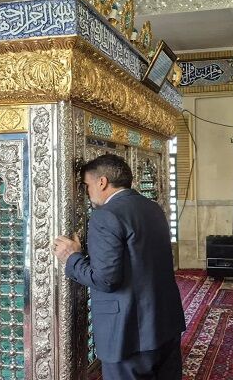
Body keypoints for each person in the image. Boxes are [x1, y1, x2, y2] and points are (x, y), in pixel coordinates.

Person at [52, 154, 186, 380]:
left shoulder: (106, 216)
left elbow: (106, 280)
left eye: (87, 185)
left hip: (129, 333)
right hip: (165, 323)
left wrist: (71, 257)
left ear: (102, 182)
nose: (87, 193)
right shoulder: (153, 207)